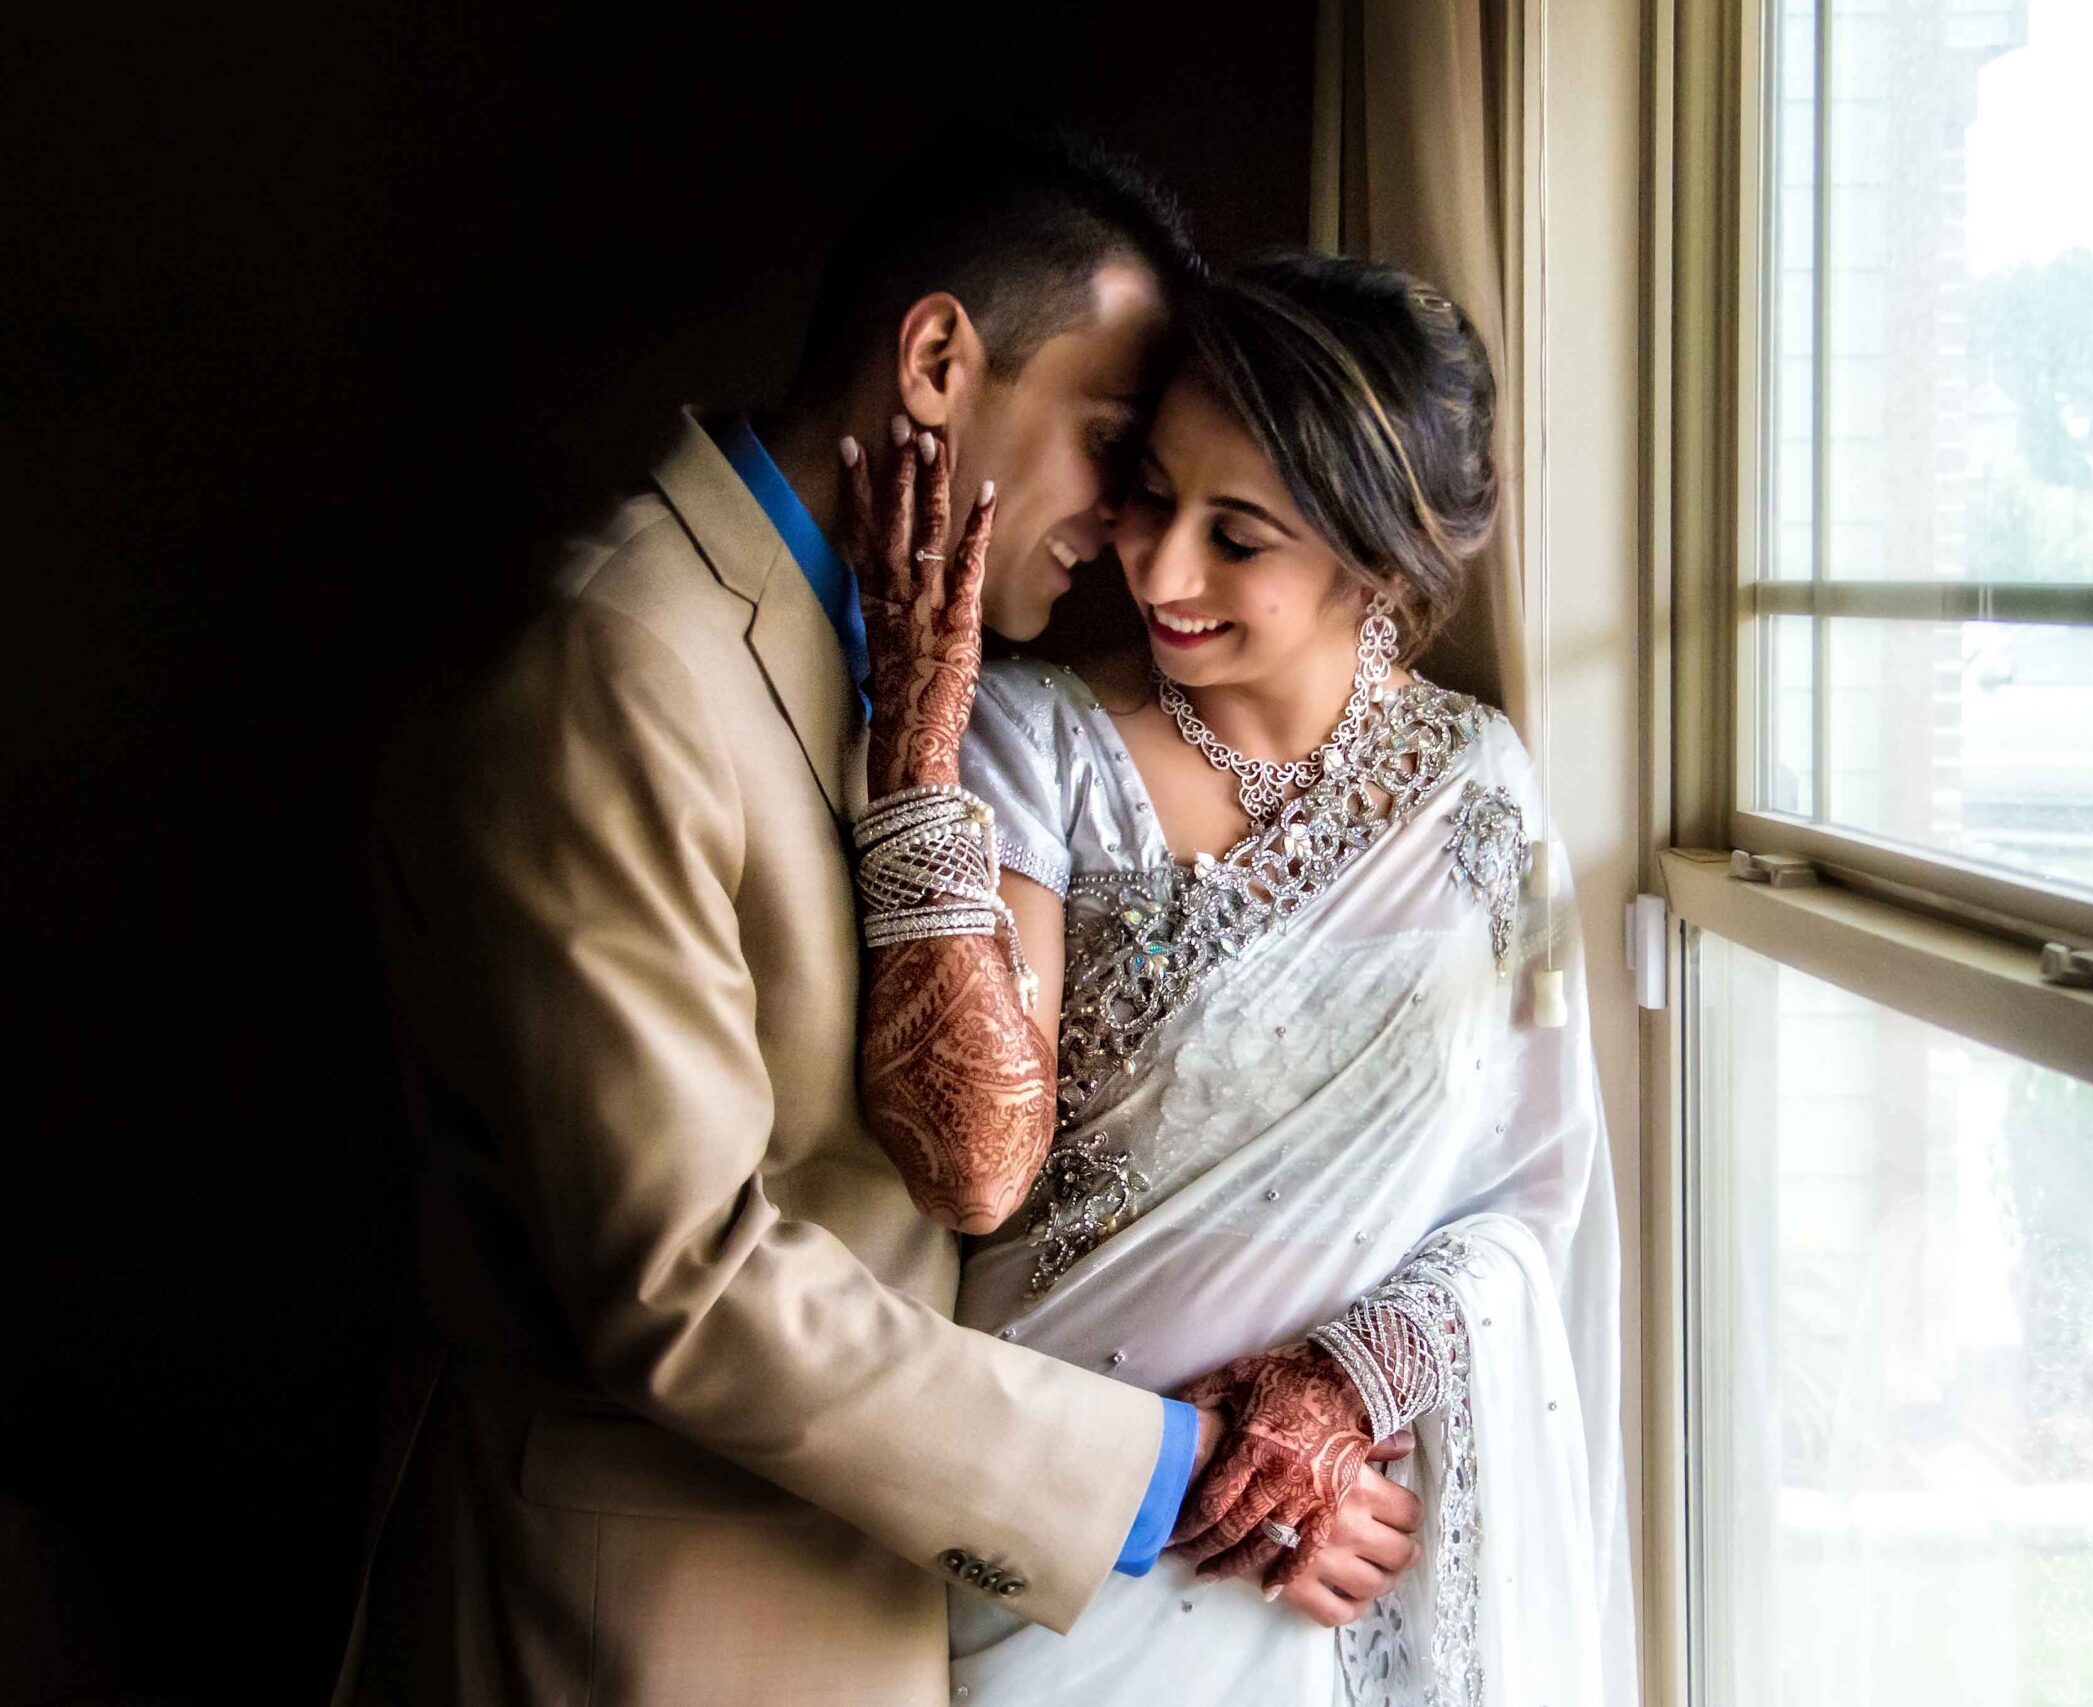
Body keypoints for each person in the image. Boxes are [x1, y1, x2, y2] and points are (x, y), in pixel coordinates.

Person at [341, 134, 1414, 1707]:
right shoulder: (624, 668)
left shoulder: (922, 665)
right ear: (934, 363)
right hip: (650, 1626)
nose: (1130, 525)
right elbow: (683, 1279)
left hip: (889, 1595)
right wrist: (1166, 1479)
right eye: (1112, 445)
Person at [856, 252, 1634, 1704]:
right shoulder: (1035, 748)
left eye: (1241, 534)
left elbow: (1537, 1178)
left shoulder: (1492, 801)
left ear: (1377, 557)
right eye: (1149, 493)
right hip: (1060, 1557)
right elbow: (973, 1162)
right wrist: (915, 757)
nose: (1157, 570)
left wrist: (1344, 1392)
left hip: (1327, 1561)